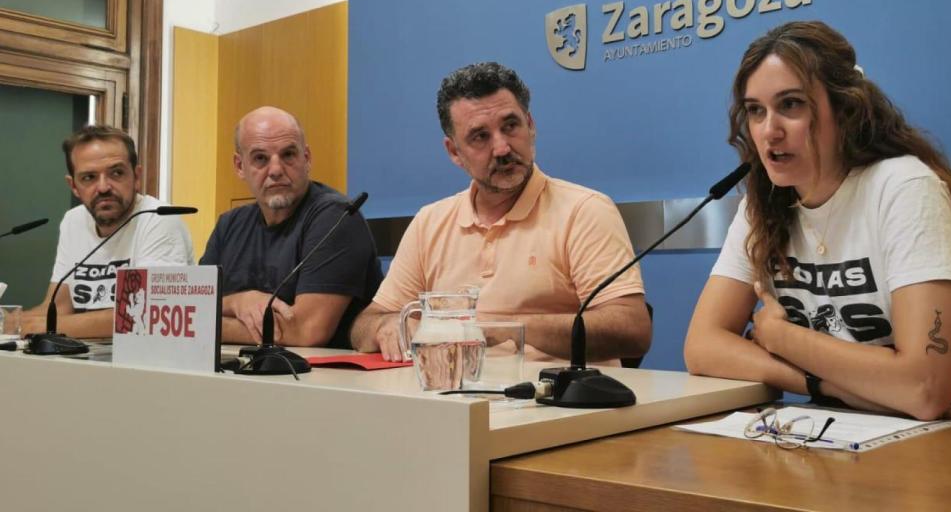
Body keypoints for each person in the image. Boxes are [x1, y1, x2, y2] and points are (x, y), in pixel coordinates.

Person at [683, 21, 951, 421]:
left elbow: (925, 390)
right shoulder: (762, 204)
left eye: (791, 104)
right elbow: (702, 346)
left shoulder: (905, 187)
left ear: (845, 109)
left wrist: (782, 337)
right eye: (756, 111)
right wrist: (823, 385)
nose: (769, 131)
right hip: (845, 419)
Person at [350, 62, 650, 363]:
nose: (503, 148)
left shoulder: (584, 210)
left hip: (555, 403)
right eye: (480, 136)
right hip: (454, 401)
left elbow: (631, 329)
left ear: (530, 126)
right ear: (454, 151)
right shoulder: (430, 221)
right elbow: (363, 327)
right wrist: (385, 325)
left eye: (510, 126)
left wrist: (500, 329)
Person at [200, 106, 382, 348]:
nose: (275, 170)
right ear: (239, 166)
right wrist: (238, 302)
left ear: (306, 159)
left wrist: (208, 327)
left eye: (288, 155)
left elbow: (306, 331)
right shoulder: (229, 224)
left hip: (320, 378)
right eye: (260, 158)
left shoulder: (336, 217)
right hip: (239, 372)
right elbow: (194, 305)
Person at [21, 125, 194, 337]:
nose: (103, 187)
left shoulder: (158, 218)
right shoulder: (73, 221)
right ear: (73, 186)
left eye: (116, 173)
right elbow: (58, 308)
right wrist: (10, 321)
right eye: (89, 177)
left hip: (146, 360)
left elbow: (143, 315)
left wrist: (38, 327)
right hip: (87, 357)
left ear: (136, 176)